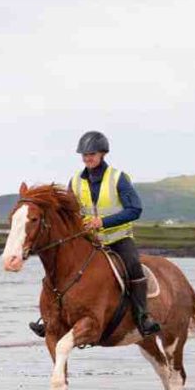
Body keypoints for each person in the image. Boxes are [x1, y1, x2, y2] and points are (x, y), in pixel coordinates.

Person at [29, 130, 162, 339]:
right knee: (58, 269)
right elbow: (70, 213)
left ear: (102, 154)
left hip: (117, 239)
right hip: (88, 240)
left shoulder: (118, 178)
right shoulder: (75, 181)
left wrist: (102, 222)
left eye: (92, 153)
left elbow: (135, 209)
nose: (88, 157)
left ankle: (142, 316)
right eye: (84, 154)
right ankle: (49, 319)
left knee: (134, 266)